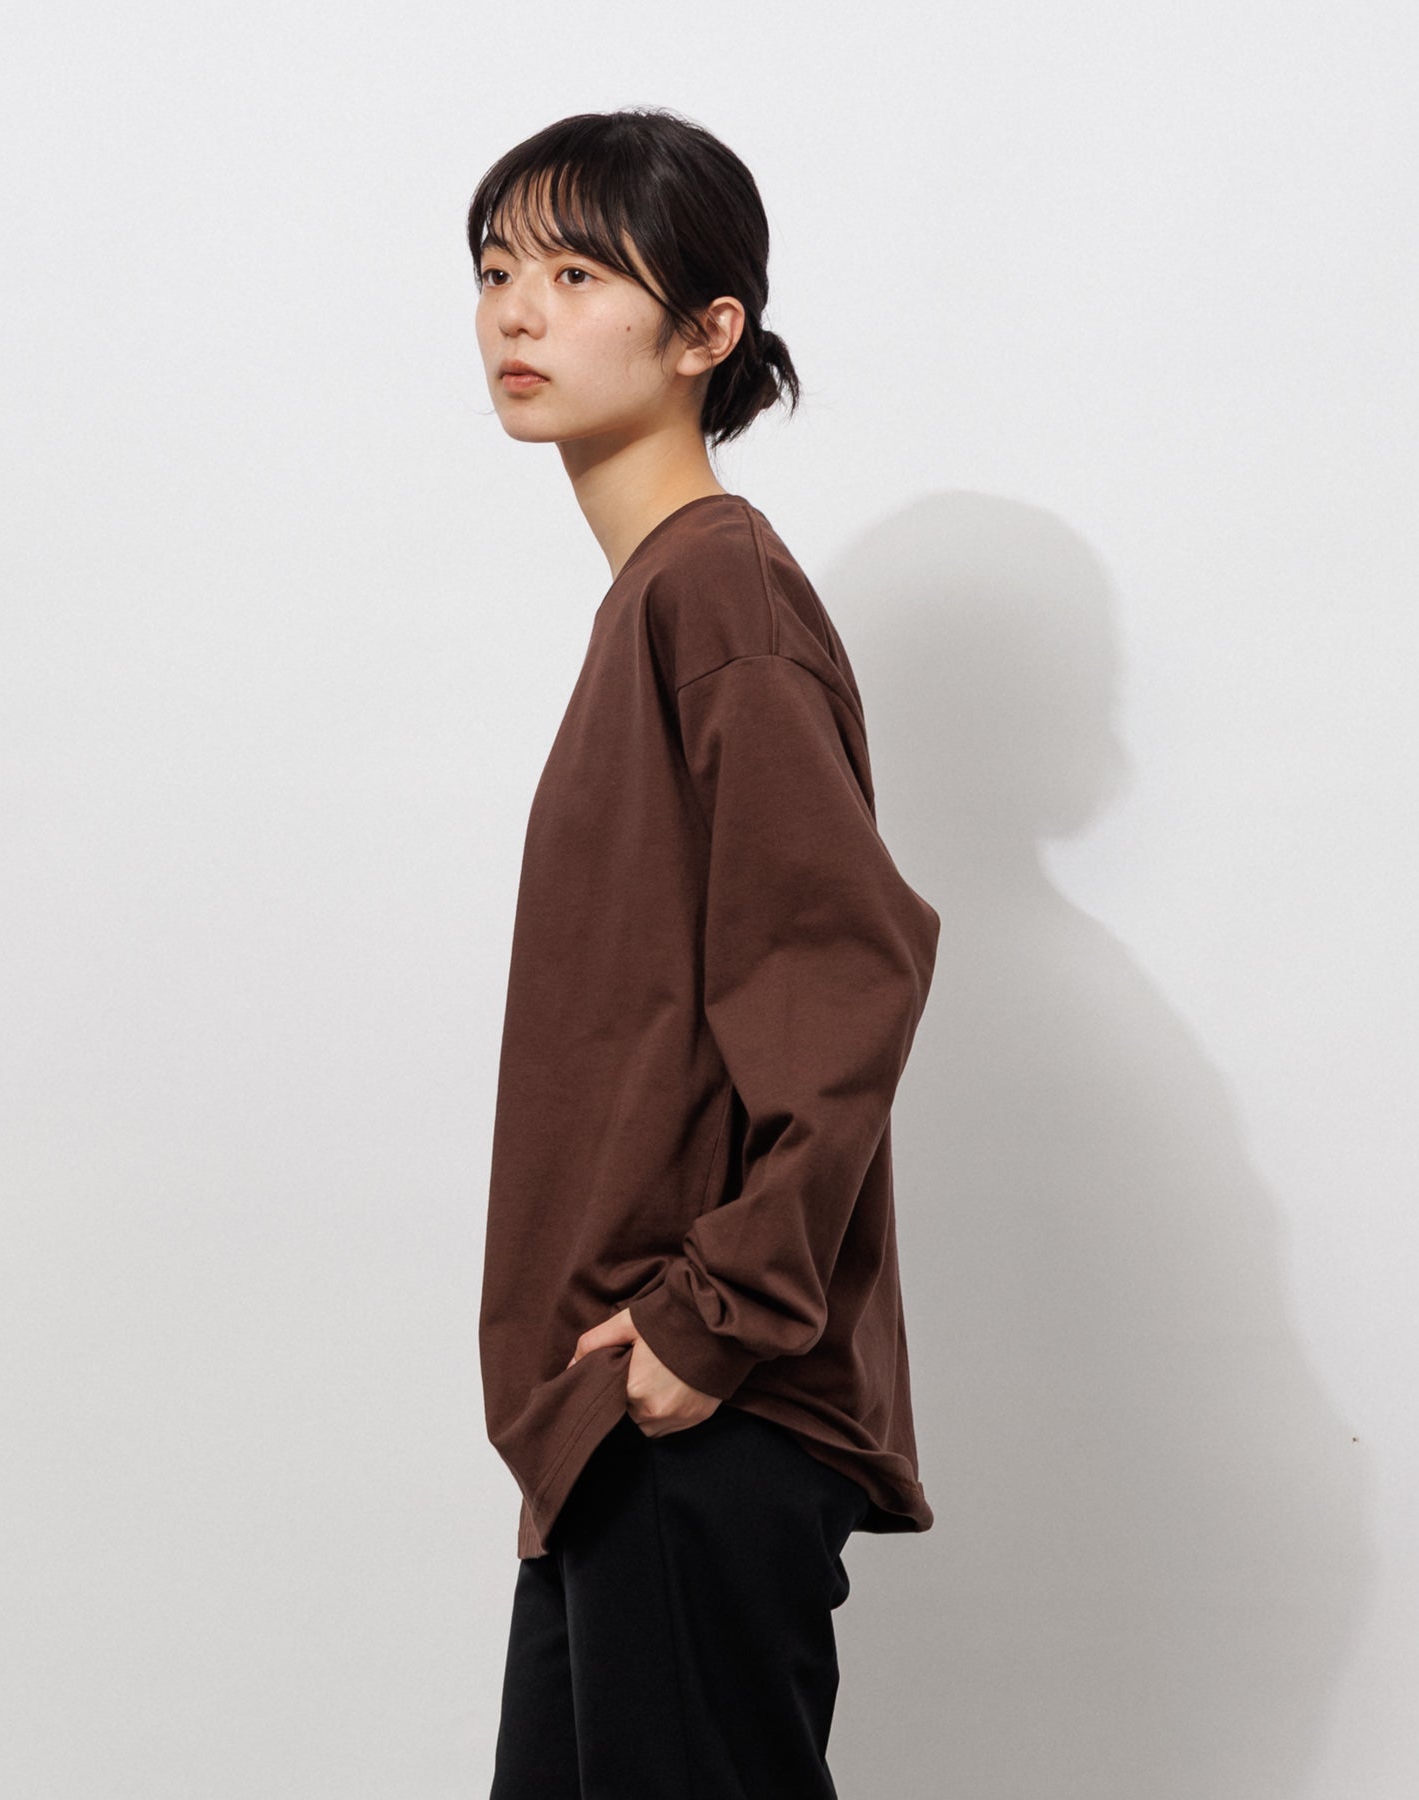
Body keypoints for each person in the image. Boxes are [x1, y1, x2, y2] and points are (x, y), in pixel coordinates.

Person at [470, 107, 942, 1799]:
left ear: (704, 331)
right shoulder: (661, 603)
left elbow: (846, 968)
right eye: (498, 270)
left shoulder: (717, 590)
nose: (519, 311)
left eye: (578, 272)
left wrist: (712, 1317)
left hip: (697, 1402)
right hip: (614, 1418)